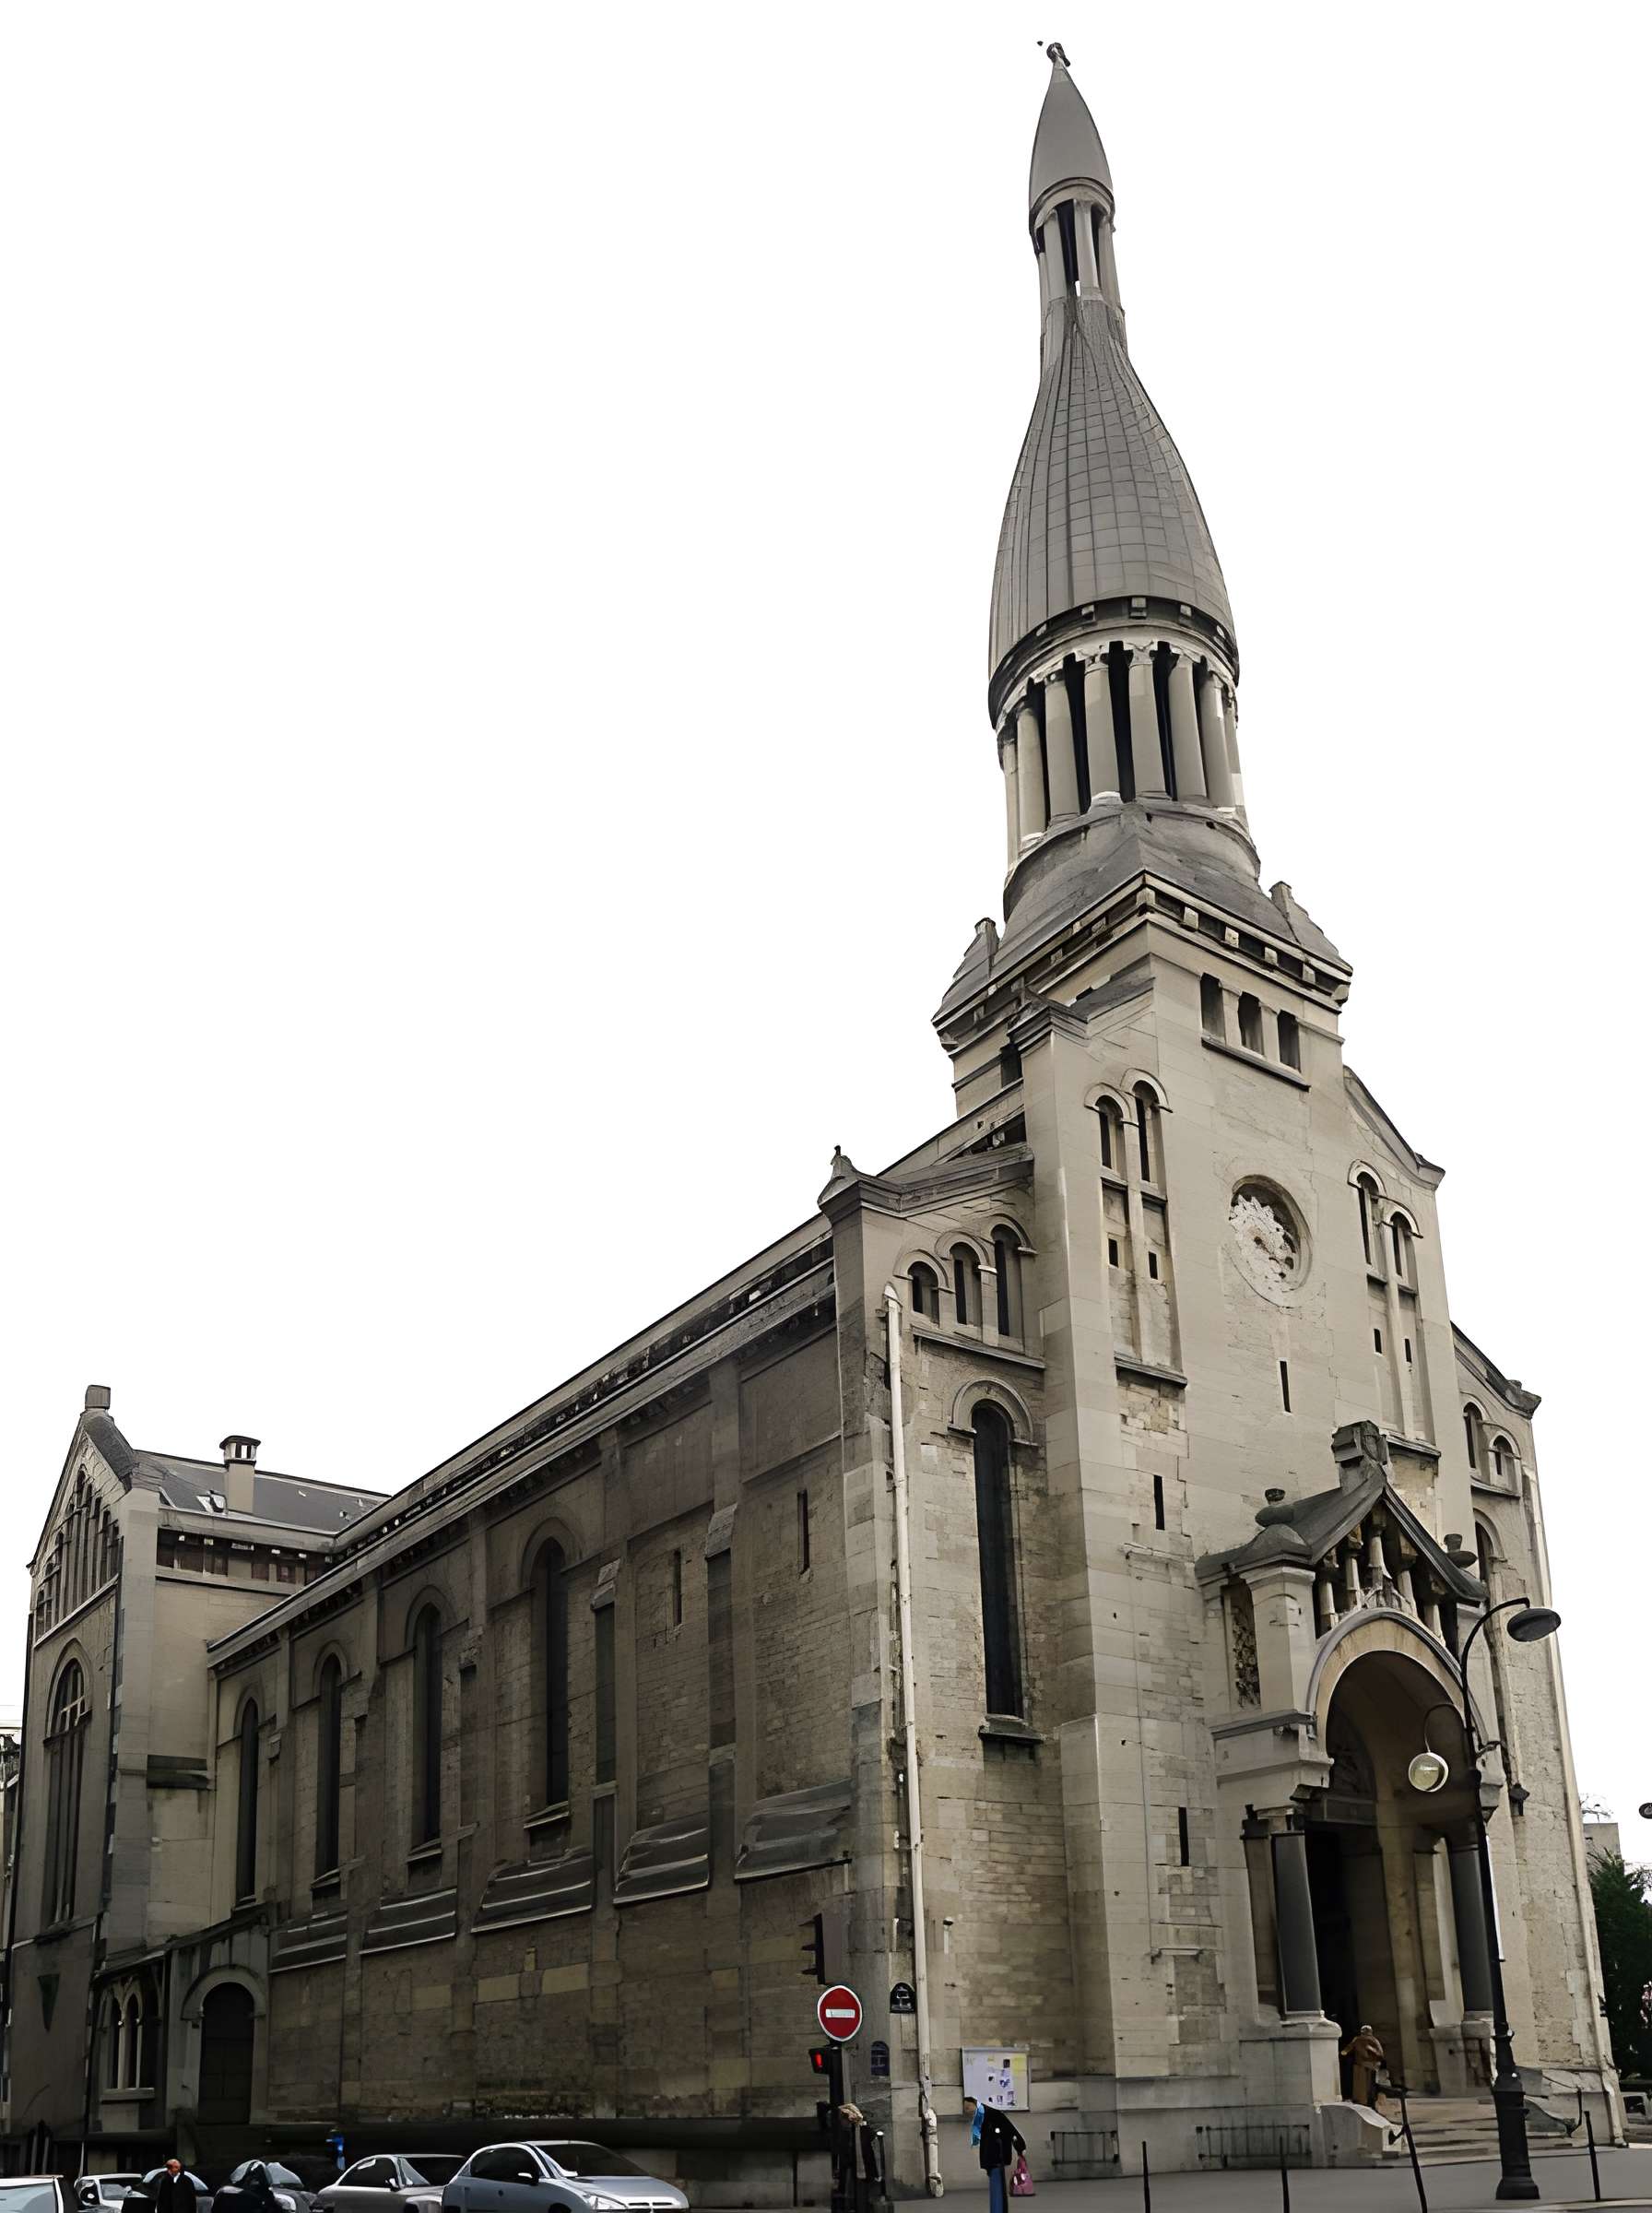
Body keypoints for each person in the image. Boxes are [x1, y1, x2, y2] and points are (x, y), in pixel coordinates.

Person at [969, 2096, 1026, 2213]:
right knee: (997, 2190)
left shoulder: (992, 2115)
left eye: (968, 2107)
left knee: (997, 2190)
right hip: (993, 2159)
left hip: (996, 2159)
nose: (968, 2111)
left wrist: (1020, 2147)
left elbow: (1010, 2131)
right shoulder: (984, 2117)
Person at [1341, 2023, 1386, 2107]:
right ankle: (1364, 2100)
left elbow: (1380, 2054)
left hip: (1367, 2065)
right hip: (1364, 2065)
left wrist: (1343, 2053)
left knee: (1366, 2084)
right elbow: (1348, 2049)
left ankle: (1367, 2100)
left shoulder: (1369, 2040)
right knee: (1363, 2085)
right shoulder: (1362, 2040)